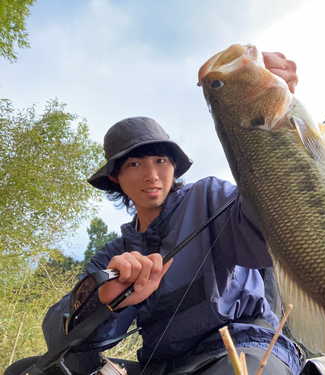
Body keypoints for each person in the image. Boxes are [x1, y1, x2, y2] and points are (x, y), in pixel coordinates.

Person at [5, 52, 308, 375]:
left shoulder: (210, 196)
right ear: (115, 178)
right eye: (135, 164)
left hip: (243, 345)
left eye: (161, 161)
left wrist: (271, 119)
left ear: (174, 167)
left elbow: (276, 227)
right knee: (24, 371)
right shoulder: (115, 253)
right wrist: (105, 300)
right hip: (161, 366)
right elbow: (61, 334)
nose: (151, 174)